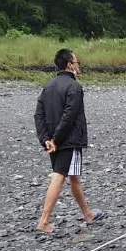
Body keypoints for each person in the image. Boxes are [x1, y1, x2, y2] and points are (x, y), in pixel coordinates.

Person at [34, 48, 104, 234]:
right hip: (67, 140)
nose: (78, 65)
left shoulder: (48, 86)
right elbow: (69, 116)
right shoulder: (74, 87)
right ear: (69, 65)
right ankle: (44, 221)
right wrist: (55, 139)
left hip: (53, 140)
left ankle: (87, 213)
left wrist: (46, 139)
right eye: (77, 61)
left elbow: (38, 115)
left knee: (74, 178)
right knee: (59, 176)